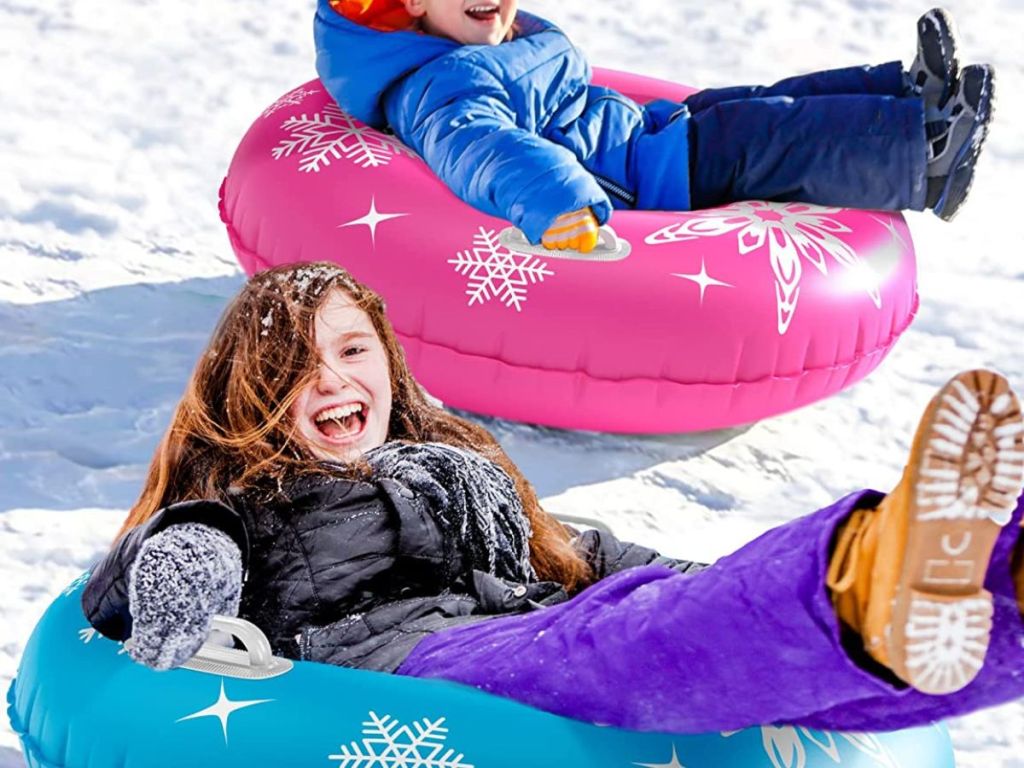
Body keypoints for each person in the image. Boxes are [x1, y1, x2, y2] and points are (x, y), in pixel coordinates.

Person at [82, 263, 1024, 734]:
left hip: (532, 622)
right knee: (614, 640)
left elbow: (580, 553)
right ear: (250, 388)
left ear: (387, 364)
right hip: (420, 672)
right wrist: (186, 559)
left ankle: (999, 575)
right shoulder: (245, 495)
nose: (330, 380)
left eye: (352, 350)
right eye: (295, 365)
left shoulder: (455, 469)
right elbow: (154, 561)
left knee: (711, 644)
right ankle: (866, 570)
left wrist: (722, 582)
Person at [314, 3, 996, 254]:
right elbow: (484, 150)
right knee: (775, 136)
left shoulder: (473, 49)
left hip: (649, 133)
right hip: (647, 179)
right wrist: (557, 201)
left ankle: (908, 95)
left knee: (756, 103)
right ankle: (927, 159)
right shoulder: (443, 85)